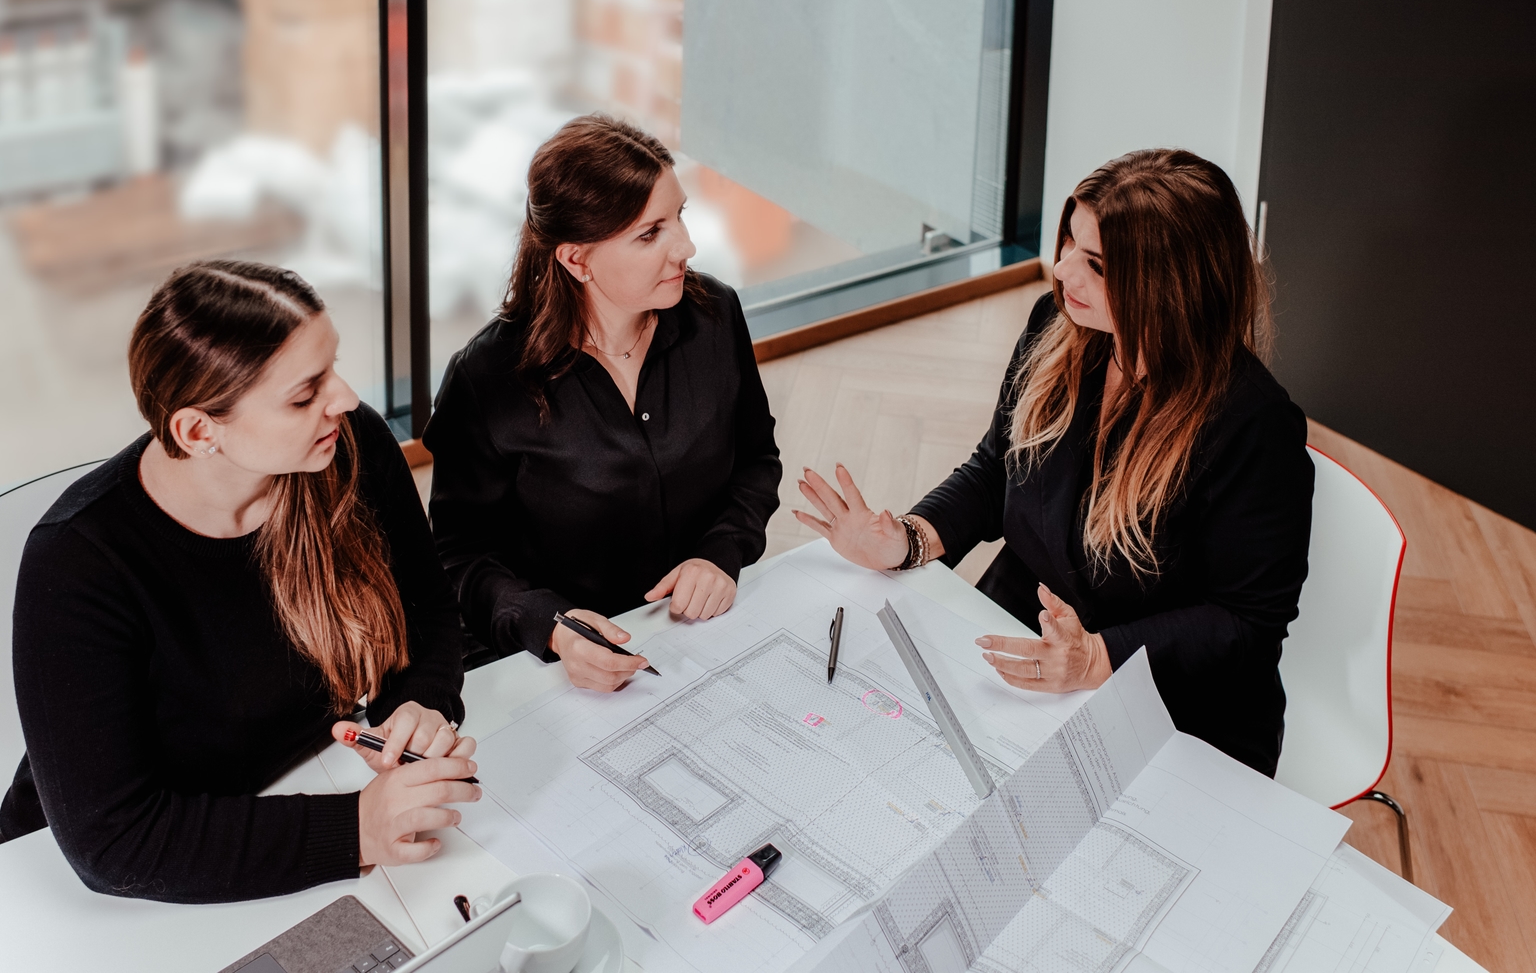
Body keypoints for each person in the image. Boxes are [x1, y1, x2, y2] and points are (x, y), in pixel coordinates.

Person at [795, 149, 1313, 776]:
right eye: (1070, 239)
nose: (1063, 268)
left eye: (1095, 263)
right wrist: (907, 540)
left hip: (1169, 702)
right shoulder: (1059, 328)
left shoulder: (1253, 426)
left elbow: (1245, 624)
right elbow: (996, 469)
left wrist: (1097, 657)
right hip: (1024, 642)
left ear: (1169, 286)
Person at [0, 261, 479, 902]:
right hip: (89, 882)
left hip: (289, 791)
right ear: (199, 432)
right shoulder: (78, 563)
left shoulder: (349, 446)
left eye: (332, 367)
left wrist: (417, 702)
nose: (343, 398)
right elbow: (111, 841)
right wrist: (357, 828)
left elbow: (427, 612)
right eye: (305, 394)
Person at [425, 115, 781, 692]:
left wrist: (721, 552)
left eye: (679, 217)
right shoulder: (485, 378)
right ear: (576, 260)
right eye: (650, 233)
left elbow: (756, 460)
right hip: (555, 668)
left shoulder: (716, 313)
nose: (685, 247)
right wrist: (551, 627)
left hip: (701, 634)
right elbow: (459, 556)